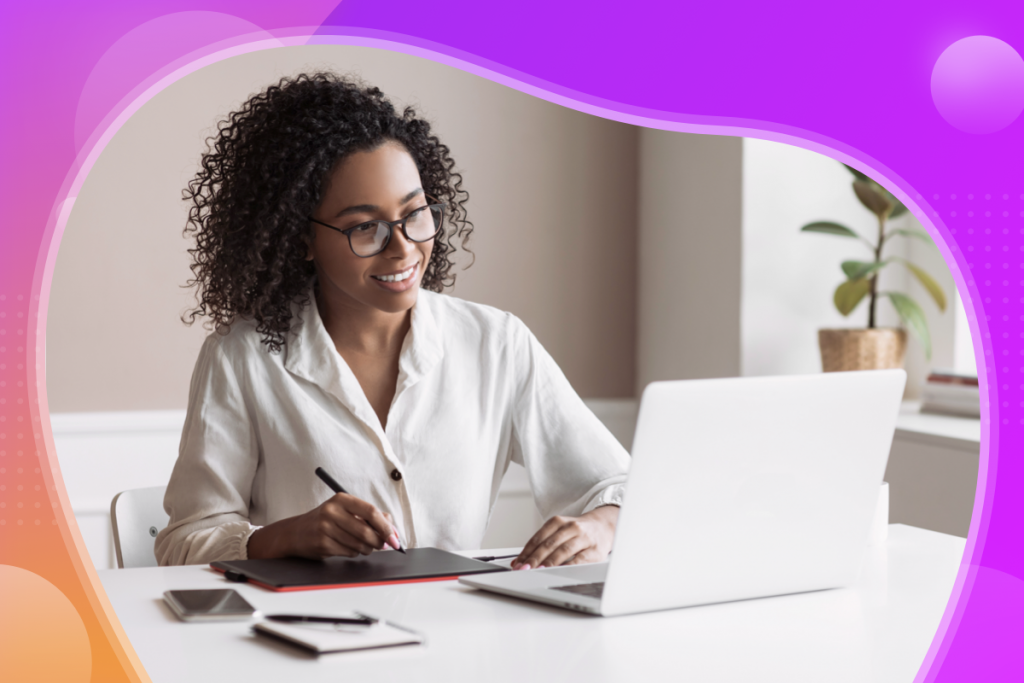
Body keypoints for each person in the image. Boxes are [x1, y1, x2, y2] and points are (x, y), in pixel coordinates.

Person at [155, 72, 630, 572]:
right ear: (301, 238)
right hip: (307, 637)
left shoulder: (496, 344)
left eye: (415, 214)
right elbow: (182, 542)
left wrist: (601, 525)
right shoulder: (243, 358)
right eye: (366, 227)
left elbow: (618, 484)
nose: (403, 248)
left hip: (458, 635)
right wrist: (283, 536)